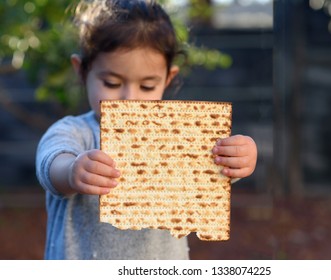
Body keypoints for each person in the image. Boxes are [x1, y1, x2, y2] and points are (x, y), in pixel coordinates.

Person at [36, 0, 257, 260]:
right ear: (82, 71)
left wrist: (241, 156)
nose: (131, 98)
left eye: (147, 87)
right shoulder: (74, 132)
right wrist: (72, 171)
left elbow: (214, 167)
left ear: (168, 78)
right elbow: (51, 164)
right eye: (111, 82)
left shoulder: (177, 135)